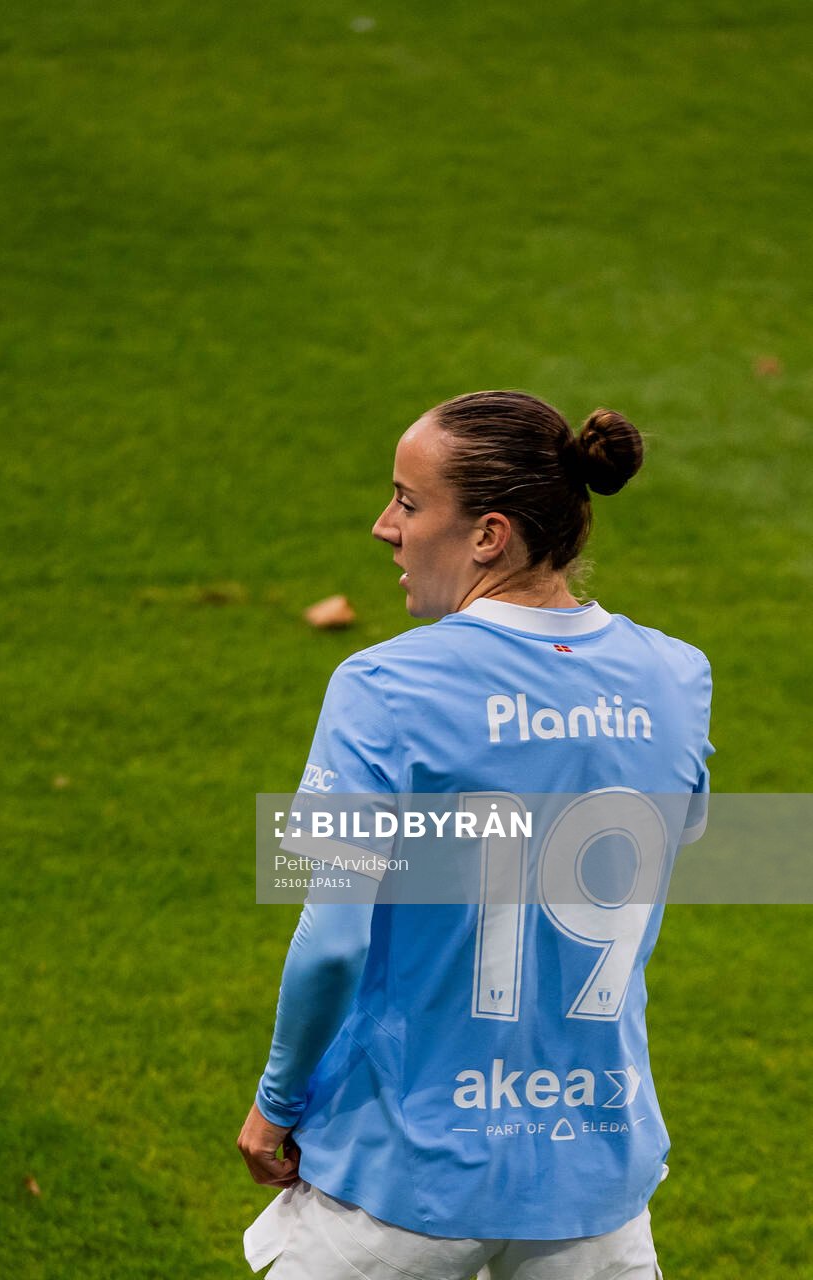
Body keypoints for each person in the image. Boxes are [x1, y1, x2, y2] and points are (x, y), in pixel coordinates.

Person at [238, 390, 713, 1280]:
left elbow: (333, 941)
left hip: (403, 1169)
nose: (385, 527)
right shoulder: (676, 676)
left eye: (409, 503)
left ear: (488, 534)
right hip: (593, 1170)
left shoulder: (384, 686)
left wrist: (277, 1103)